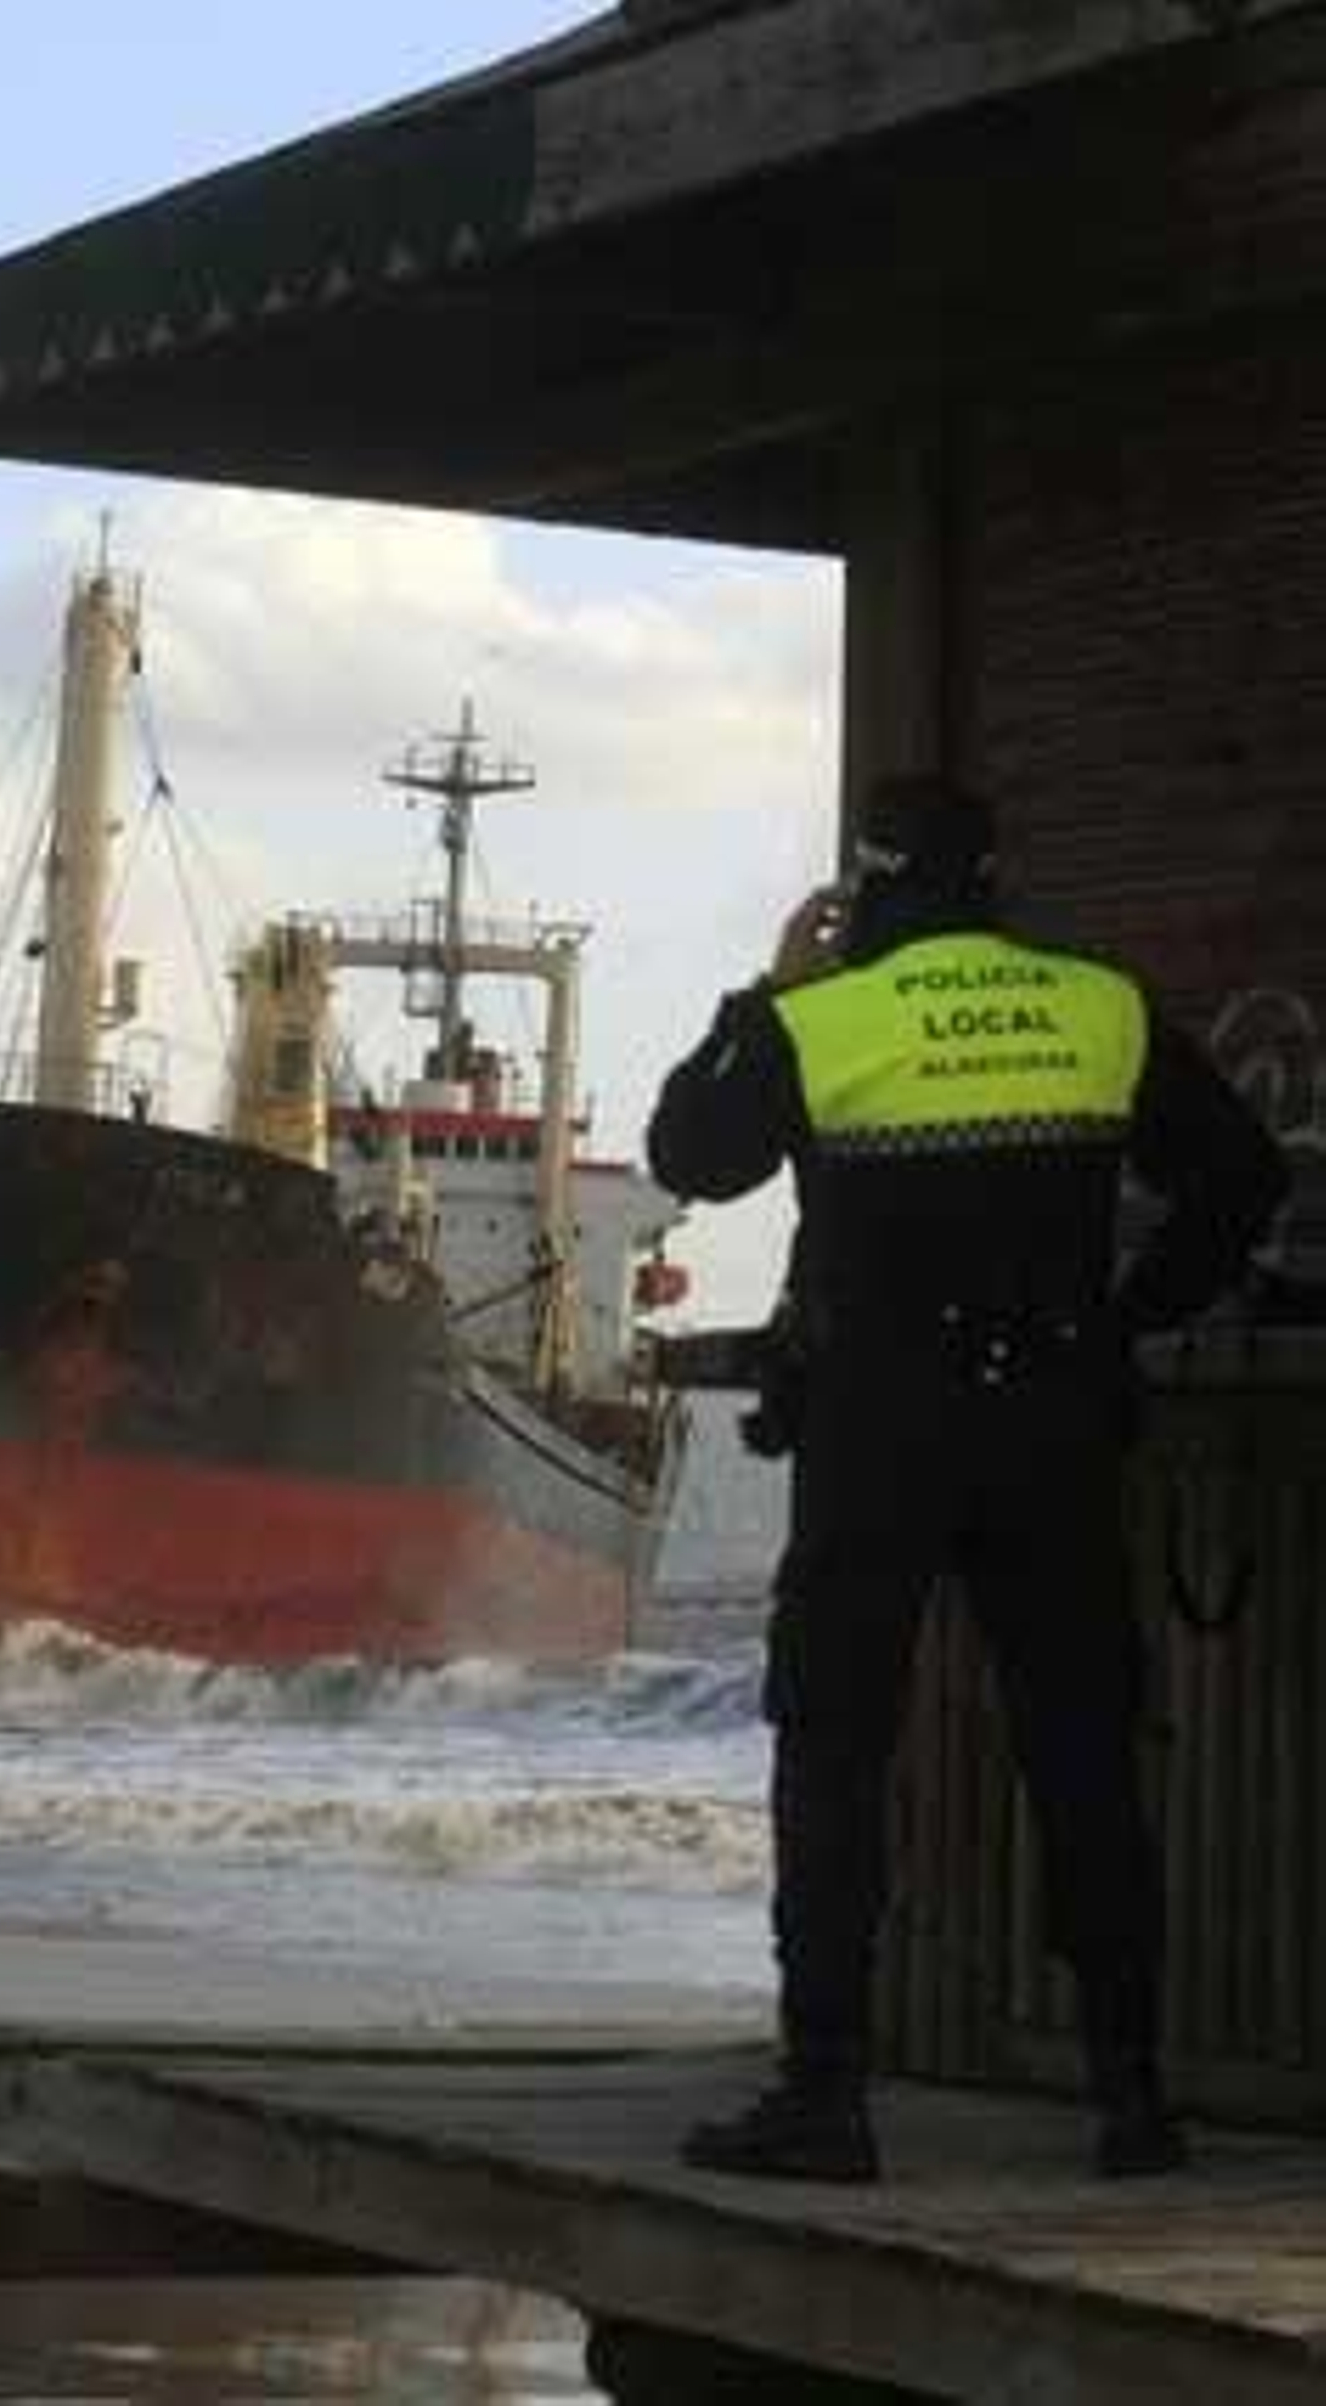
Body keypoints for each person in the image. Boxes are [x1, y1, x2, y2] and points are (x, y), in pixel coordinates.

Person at [646, 774, 1288, 2185]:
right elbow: (1242, 1180)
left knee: (833, 1747)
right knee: (1082, 1749)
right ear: (996, 881)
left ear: (863, 891)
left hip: (880, 1428)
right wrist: (1128, 1316)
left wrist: (767, 987)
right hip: (1053, 1417)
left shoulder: (823, 1019)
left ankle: (825, 2097)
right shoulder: (1097, 1008)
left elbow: (689, 1152)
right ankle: (1133, 2099)